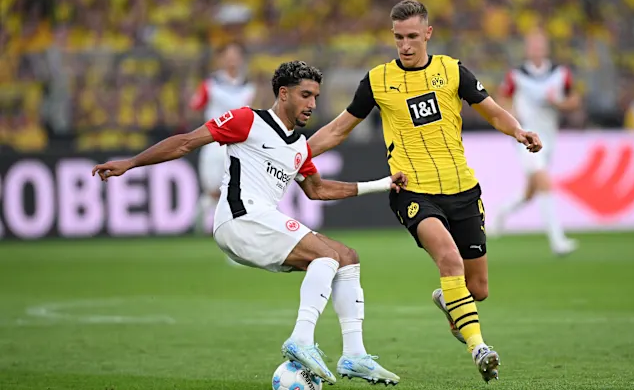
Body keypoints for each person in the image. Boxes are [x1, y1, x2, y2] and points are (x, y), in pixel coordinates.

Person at [92, 61, 403, 386]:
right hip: (239, 218)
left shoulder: (298, 146)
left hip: (259, 223)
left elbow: (318, 190)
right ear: (283, 94)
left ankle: (354, 355)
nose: (312, 104)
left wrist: (381, 184)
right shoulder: (246, 120)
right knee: (326, 256)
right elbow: (185, 142)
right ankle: (301, 339)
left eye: (316, 96)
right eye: (305, 95)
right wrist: (131, 163)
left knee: (347, 258)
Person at [307, 0, 542, 383]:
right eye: (398, 37)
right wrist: (296, 152)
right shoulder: (378, 81)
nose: (405, 45)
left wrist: (518, 131)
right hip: (413, 191)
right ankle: (480, 348)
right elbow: (337, 129)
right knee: (448, 259)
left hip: (462, 189)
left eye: (413, 36)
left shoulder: (451, 71)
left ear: (428, 33)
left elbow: (493, 110)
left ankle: (449, 301)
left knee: (476, 290)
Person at [494, 29, 580, 255]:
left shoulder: (560, 74)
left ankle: (500, 213)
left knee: (530, 192)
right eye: (532, 46)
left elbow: (574, 101)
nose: (536, 50)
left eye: (540, 46)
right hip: (527, 139)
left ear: (546, 48)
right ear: (527, 49)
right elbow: (501, 98)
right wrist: (511, 116)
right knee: (544, 181)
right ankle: (557, 240)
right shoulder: (517, 75)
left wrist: (558, 102)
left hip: (550, 138)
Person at [190, 42, 257, 234]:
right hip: (213, 143)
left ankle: (233, 234)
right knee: (213, 190)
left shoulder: (248, 86)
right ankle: (200, 219)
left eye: (236, 55)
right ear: (221, 59)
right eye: (228, 55)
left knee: (236, 192)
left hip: (237, 145)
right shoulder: (210, 84)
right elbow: (194, 107)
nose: (232, 59)